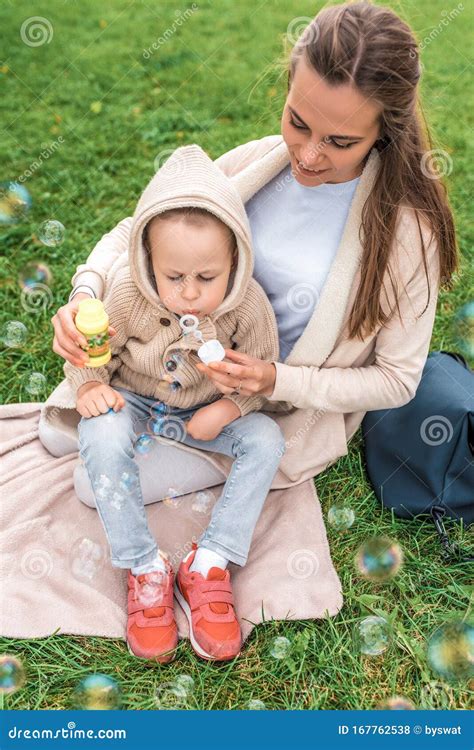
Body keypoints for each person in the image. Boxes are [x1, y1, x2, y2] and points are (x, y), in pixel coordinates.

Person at [43, 1, 458, 601]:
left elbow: (395, 380)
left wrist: (274, 379)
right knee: (60, 433)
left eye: (340, 141)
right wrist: (87, 292)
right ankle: (158, 420)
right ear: (289, 89)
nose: (308, 155)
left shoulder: (406, 236)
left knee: (89, 480)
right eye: (298, 122)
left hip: (264, 407)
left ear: (385, 130)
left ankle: (180, 453)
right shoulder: (260, 162)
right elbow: (139, 229)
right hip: (170, 367)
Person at [54, 144, 286, 663]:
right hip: (135, 396)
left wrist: (230, 409)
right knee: (101, 431)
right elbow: (94, 353)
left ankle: (209, 562)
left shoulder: (249, 306)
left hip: (202, 410)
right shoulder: (128, 295)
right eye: (172, 276)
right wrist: (90, 386)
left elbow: (261, 377)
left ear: (235, 261)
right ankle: (144, 567)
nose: (187, 294)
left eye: (206, 278)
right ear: (148, 263)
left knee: (267, 441)